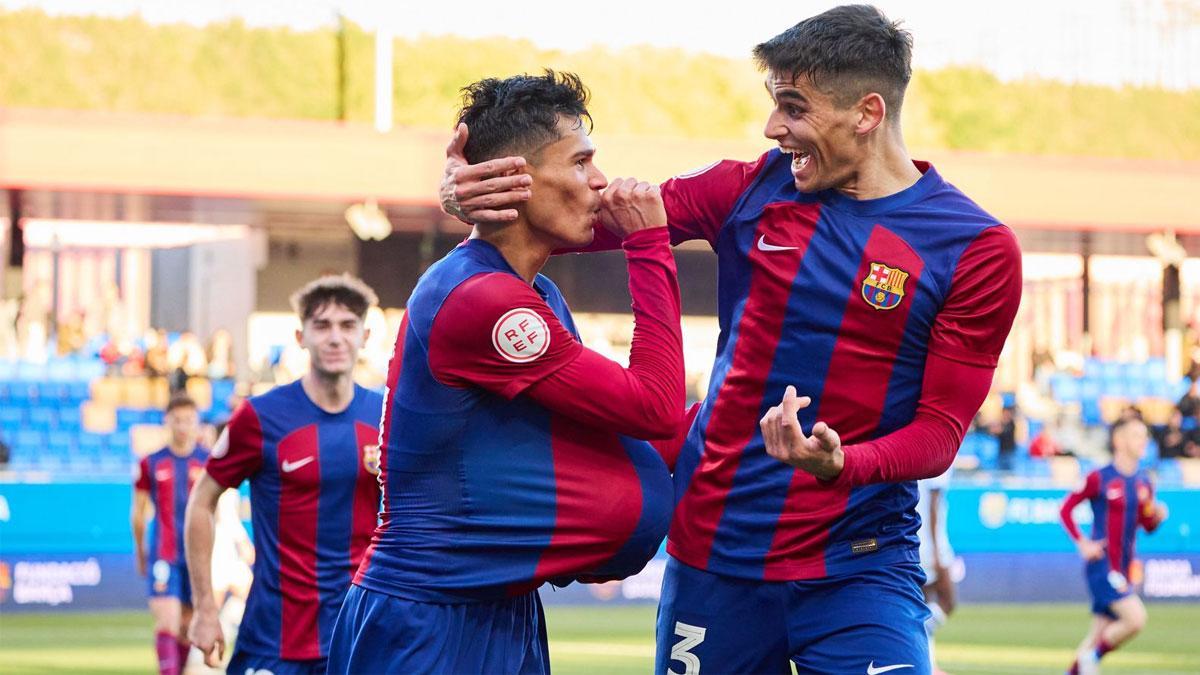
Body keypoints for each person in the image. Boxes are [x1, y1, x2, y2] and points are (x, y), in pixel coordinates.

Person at [443, 6, 1023, 672]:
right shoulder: (749, 188)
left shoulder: (973, 249)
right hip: (716, 557)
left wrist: (843, 465)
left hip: (859, 565)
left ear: (867, 112)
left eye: (794, 108)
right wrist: (473, 194)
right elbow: (575, 219)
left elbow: (940, 432)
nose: (774, 128)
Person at [327, 70, 684, 674]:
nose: (599, 181)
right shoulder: (481, 300)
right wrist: (649, 246)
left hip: (504, 609)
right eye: (580, 162)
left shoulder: (534, 291)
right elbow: (653, 407)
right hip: (427, 619)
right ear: (516, 179)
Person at [184, 274, 384, 674]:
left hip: (362, 638)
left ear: (364, 336)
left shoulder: (386, 417)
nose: (334, 338)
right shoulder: (261, 418)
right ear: (300, 336)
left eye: (347, 326)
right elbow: (201, 502)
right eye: (321, 326)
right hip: (273, 642)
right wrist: (206, 608)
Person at [1059, 416, 1168, 675]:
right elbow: (1065, 509)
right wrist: (1082, 543)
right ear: (1119, 440)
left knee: (1097, 634)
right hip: (1103, 565)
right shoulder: (1100, 477)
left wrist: (1157, 518)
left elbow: (1147, 524)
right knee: (1135, 618)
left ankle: (1078, 667)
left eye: (1144, 436)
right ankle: (1092, 660)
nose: (1143, 441)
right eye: (1136, 435)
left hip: (1124, 565)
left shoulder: (1144, 482)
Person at [131, 395, 208, 675]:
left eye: (188, 420)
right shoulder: (151, 462)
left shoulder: (207, 461)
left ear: (196, 422)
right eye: (177, 420)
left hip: (199, 556)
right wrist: (140, 552)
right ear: (168, 422)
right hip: (164, 554)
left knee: (187, 626)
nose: (183, 426)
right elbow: (138, 513)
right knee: (168, 621)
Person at [917, 466, 958, 675]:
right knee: (947, 601)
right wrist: (935, 551)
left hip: (918, 539)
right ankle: (924, 659)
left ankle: (928, 661)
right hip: (930, 543)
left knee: (923, 607)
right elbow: (933, 505)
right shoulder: (942, 457)